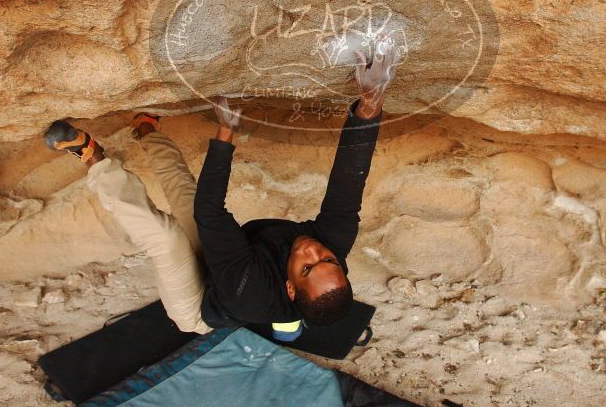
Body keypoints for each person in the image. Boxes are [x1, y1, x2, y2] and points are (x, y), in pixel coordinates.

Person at [43, 37, 401, 338]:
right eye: (327, 259)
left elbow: (211, 212)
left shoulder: (253, 292)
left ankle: (92, 157)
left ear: (290, 288)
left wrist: (225, 133)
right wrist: (371, 105)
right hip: (232, 256)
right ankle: (145, 129)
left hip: (200, 301)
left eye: (308, 267)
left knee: (164, 238)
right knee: (185, 191)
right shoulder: (331, 240)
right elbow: (348, 179)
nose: (313, 251)